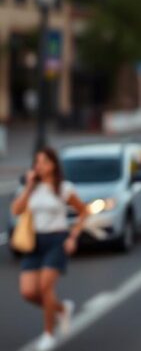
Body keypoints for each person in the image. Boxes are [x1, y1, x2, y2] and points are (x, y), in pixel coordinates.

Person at [10, 146, 89, 351]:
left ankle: (48, 334)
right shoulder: (31, 188)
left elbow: (84, 211)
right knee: (28, 292)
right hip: (34, 242)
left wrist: (73, 236)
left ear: (53, 165)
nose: (40, 166)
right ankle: (62, 309)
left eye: (44, 162)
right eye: (37, 162)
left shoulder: (64, 188)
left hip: (57, 240)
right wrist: (28, 186)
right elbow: (16, 210)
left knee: (45, 288)